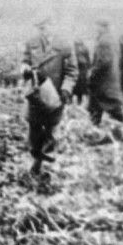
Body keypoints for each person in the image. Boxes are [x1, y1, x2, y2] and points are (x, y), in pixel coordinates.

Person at [20, 15, 77, 175]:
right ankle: (37, 159)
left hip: (56, 93)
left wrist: (66, 89)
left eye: (44, 27)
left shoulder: (64, 44)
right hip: (36, 91)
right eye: (39, 28)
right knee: (34, 127)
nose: (41, 31)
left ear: (53, 24)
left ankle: (42, 158)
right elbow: (24, 60)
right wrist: (24, 68)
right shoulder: (32, 42)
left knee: (51, 129)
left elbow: (72, 71)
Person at [88, 19, 123, 126]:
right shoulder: (111, 39)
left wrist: (92, 72)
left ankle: (94, 127)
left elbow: (104, 61)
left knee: (103, 104)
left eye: (97, 25)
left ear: (103, 27)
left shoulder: (104, 41)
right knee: (107, 104)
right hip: (110, 79)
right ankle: (96, 126)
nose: (95, 28)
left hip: (103, 81)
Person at [73, 39, 91, 105]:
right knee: (83, 89)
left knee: (80, 89)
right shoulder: (84, 49)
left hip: (80, 71)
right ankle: (82, 102)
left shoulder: (76, 50)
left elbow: (87, 61)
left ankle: (81, 102)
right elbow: (88, 61)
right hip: (82, 71)